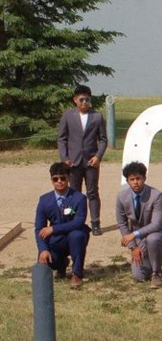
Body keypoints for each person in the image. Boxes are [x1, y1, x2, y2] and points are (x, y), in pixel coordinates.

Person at [57, 85, 107, 235]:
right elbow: (62, 139)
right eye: (82, 99)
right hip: (73, 162)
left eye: (87, 99)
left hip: (91, 161)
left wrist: (98, 157)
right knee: (74, 193)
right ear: (75, 100)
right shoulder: (68, 116)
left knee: (92, 192)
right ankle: (73, 222)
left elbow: (103, 139)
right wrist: (64, 158)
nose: (85, 102)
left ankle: (95, 223)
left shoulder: (97, 116)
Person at [115, 161, 162, 288]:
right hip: (137, 238)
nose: (135, 182)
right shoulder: (121, 196)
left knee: (153, 239)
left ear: (144, 178)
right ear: (127, 181)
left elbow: (156, 224)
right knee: (139, 276)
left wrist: (134, 235)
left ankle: (156, 273)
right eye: (132, 179)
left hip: (158, 232)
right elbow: (122, 223)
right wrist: (133, 247)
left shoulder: (156, 195)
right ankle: (150, 260)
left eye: (138, 178)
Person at [35, 162, 90, 288]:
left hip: (75, 236)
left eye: (63, 178)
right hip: (56, 239)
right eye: (55, 179)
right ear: (51, 180)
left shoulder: (79, 198)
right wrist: (43, 249)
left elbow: (79, 222)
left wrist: (53, 228)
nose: (59, 181)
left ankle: (76, 273)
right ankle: (61, 265)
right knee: (45, 260)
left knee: (77, 236)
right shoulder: (44, 200)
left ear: (69, 178)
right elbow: (39, 228)